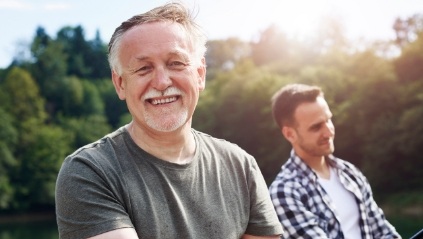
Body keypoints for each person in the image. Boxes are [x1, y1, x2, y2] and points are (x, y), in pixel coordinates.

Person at [55, 2, 283, 239]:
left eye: (176, 63)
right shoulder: (90, 172)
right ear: (120, 84)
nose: (162, 82)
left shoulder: (241, 166)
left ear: (200, 74)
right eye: (143, 68)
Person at [268, 83, 401, 239]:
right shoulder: (284, 192)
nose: (328, 131)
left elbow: (383, 231)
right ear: (290, 134)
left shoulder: (349, 172)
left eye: (328, 120)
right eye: (316, 127)